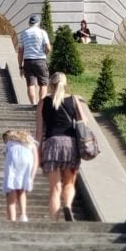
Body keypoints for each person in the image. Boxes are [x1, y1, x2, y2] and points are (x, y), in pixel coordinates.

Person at [35, 72, 86, 221]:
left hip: (51, 145)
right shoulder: (74, 100)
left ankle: (54, 221)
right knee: (69, 183)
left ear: (51, 85)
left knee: (54, 188)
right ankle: (68, 206)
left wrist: (38, 151)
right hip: (70, 145)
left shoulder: (43, 102)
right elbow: (84, 122)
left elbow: (39, 132)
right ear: (65, 83)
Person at [2, 129, 39, 222]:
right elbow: (36, 161)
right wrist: (31, 176)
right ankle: (23, 215)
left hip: (13, 162)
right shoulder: (31, 141)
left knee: (11, 190)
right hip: (27, 161)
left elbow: (6, 156)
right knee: (22, 190)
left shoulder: (9, 143)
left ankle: (12, 219)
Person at [17, 14, 52, 105]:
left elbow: (20, 52)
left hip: (28, 61)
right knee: (43, 83)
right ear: (38, 23)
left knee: (30, 84)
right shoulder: (42, 32)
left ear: (29, 23)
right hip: (40, 60)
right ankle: (41, 104)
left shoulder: (24, 34)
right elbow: (48, 47)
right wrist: (44, 54)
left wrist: (20, 67)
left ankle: (33, 104)